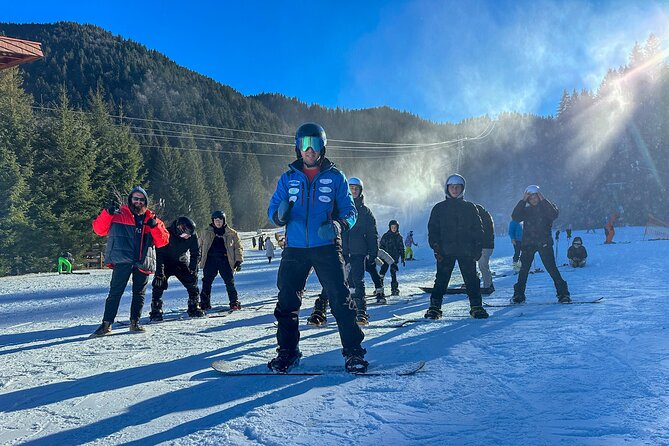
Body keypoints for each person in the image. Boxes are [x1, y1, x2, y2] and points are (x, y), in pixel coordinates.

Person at [267, 122, 367, 373]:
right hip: (295, 248)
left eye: (314, 144)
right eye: (304, 144)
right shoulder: (288, 177)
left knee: (340, 299)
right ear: (297, 147)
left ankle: (354, 352)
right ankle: (288, 352)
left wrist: (338, 225)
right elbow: (273, 211)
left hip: (326, 245)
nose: (309, 150)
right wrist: (279, 215)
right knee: (287, 301)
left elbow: (350, 211)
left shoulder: (335, 177)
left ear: (322, 147)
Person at [90, 186, 170, 337]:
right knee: (115, 292)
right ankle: (106, 324)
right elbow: (99, 230)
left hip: (143, 260)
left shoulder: (151, 218)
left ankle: (135, 323)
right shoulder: (118, 214)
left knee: (139, 294)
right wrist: (107, 213)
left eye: (141, 199)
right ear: (130, 200)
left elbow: (163, 241)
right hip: (122, 260)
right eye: (135, 199)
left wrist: (155, 227)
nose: (138, 202)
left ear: (145, 202)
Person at [307, 176, 380, 326]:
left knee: (358, 281)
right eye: (351, 188)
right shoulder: (340, 208)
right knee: (333, 280)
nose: (353, 191)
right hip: (340, 251)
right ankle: (320, 310)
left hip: (358, 251)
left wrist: (373, 251)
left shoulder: (365, 212)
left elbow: (372, 233)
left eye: (356, 189)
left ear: (360, 191)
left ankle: (361, 310)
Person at [424, 174, 488, 320]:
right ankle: (434, 307)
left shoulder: (470, 207)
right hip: (445, 251)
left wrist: (478, 247)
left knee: (471, 279)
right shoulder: (439, 208)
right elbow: (433, 229)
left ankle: (476, 306)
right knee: (441, 280)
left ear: (462, 189)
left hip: (467, 251)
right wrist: (436, 247)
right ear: (447, 189)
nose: (454, 189)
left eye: (457, 187)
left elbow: (478, 229)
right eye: (452, 187)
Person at [511, 185, 570, 304]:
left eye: (535, 196)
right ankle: (519, 295)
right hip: (528, 244)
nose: (533, 199)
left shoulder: (546, 208)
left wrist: (543, 200)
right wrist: (522, 200)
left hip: (544, 243)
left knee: (552, 269)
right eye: (531, 197)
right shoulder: (526, 210)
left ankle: (563, 294)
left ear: (539, 197)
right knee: (523, 271)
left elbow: (554, 214)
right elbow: (515, 217)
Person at [149, 217, 204, 321]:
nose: (187, 237)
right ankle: (156, 309)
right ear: (180, 229)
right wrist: (159, 272)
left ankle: (194, 306)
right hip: (165, 262)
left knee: (191, 281)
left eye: (189, 235)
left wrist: (193, 269)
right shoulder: (166, 233)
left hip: (181, 261)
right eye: (185, 235)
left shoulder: (192, 236)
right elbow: (159, 253)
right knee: (158, 283)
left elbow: (195, 253)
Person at [199, 210, 243, 311]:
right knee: (206, 281)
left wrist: (238, 260)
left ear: (224, 221)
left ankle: (234, 302)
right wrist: (197, 257)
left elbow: (238, 247)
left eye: (220, 220)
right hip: (210, 260)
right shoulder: (206, 232)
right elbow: (199, 245)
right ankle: (204, 302)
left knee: (229, 281)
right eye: (216, 220)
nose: (218, 222)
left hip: (225, 260)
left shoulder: (232, 233)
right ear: (213, 221)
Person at [379, 220, 405, 296]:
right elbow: (381, 246)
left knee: (393, 273)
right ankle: (379, 287)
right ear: (390, 227)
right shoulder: (386, 236)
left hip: (394, 258)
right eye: (392, 227)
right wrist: (380, 256)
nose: (394, 229)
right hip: (385, 257)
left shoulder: (399, 237)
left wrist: (403, 257)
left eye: (395, 227)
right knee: (382, 272)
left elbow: (401, 248)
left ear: (397, 228)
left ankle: (394, 288)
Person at [475, 204, 495, 295]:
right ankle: (489, 284)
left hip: (484, 246)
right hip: (487, 246)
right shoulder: (487, 217)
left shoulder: (483, 219)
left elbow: (482, 234)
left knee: (483, 266)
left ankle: (487, 286)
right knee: (483, 266)